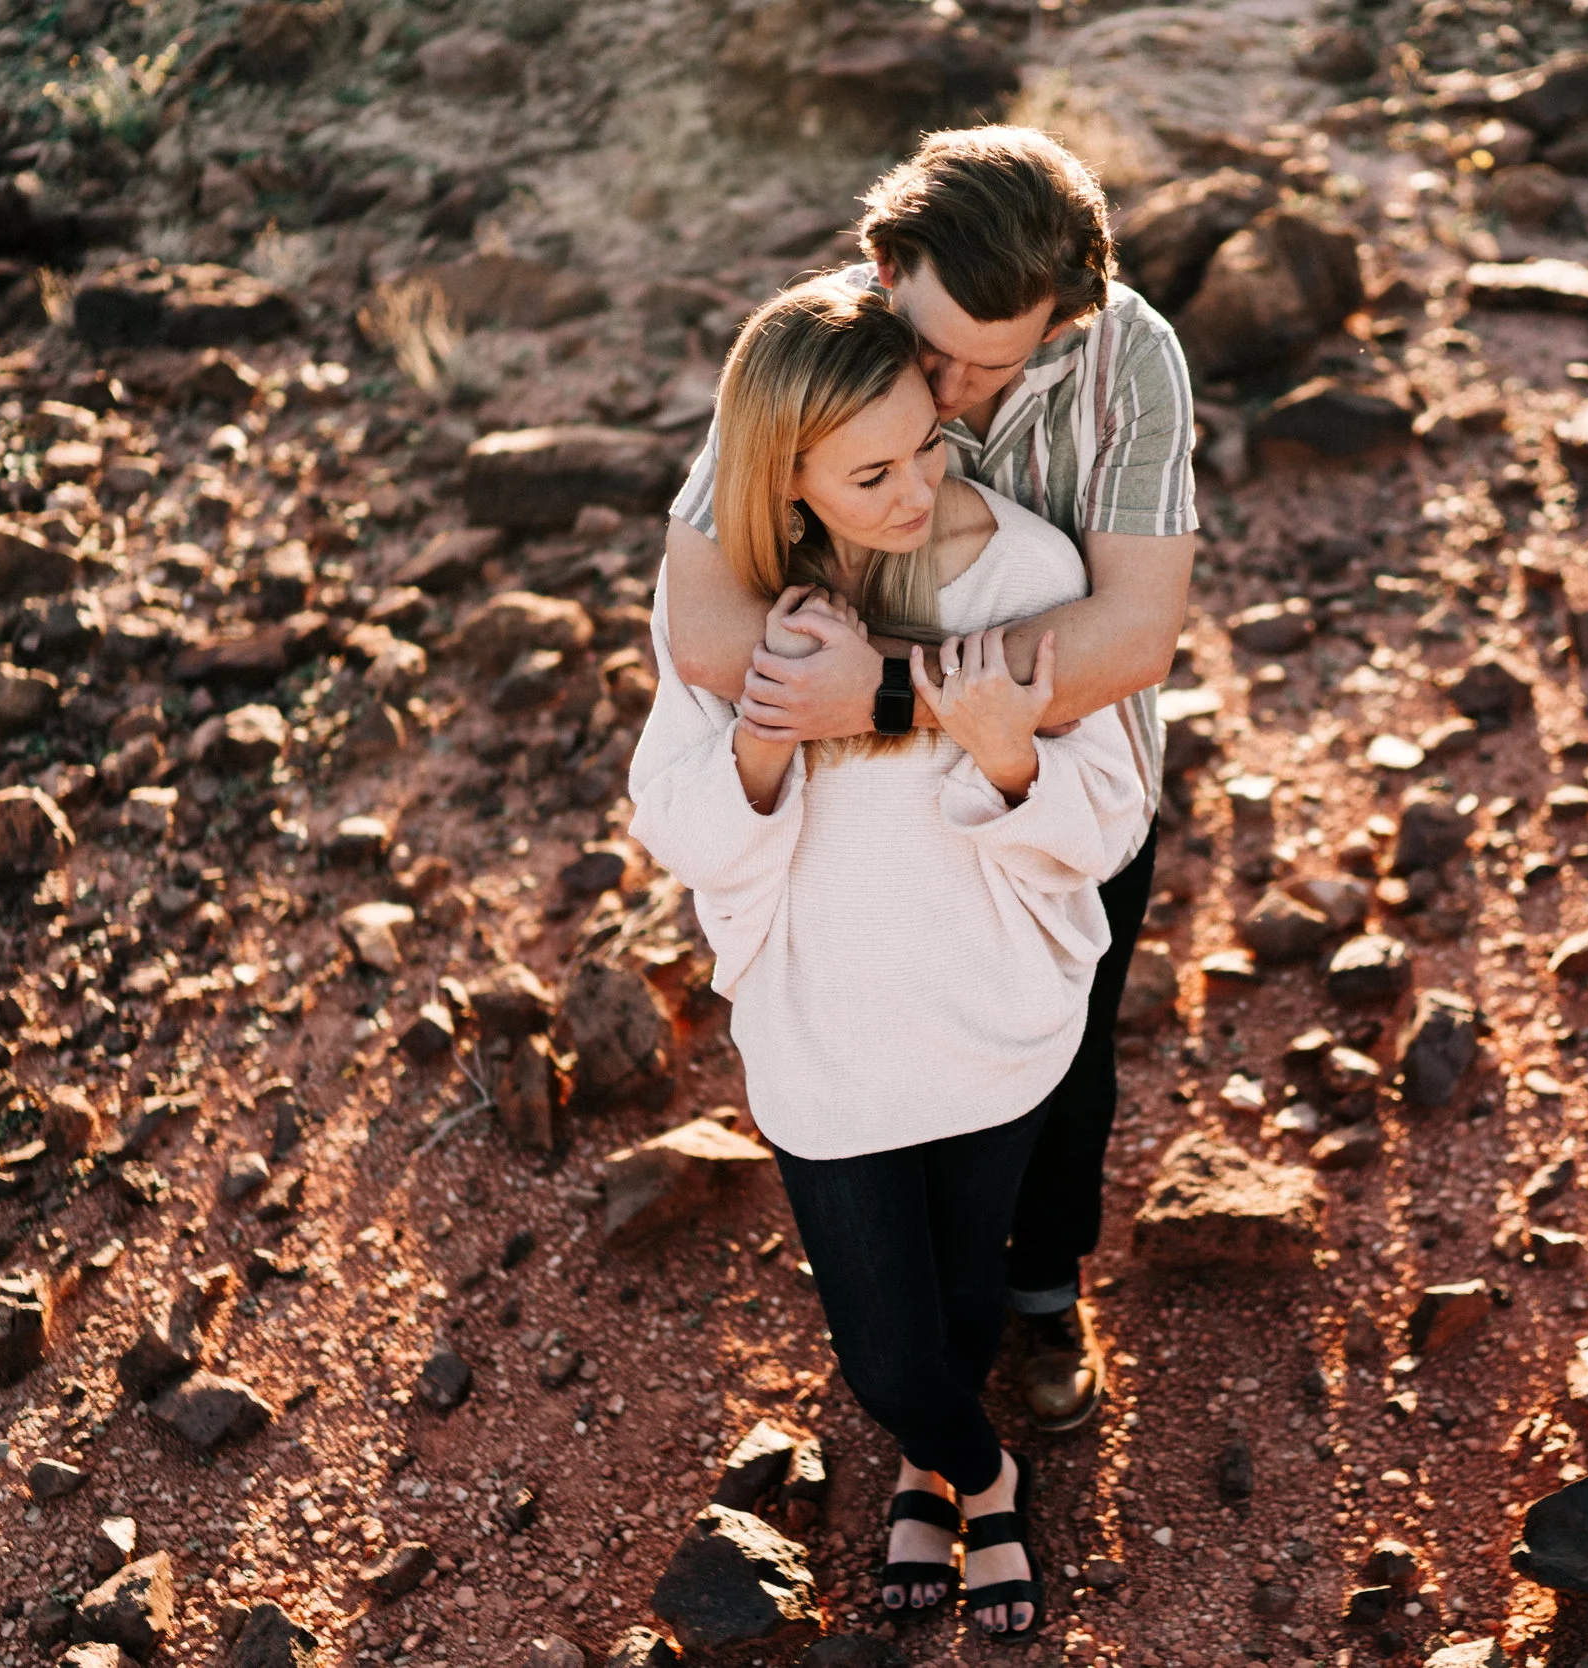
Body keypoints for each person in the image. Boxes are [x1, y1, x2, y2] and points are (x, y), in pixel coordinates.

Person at [628, 280, 1150, 1636]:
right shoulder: (734, 603)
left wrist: (1004, 748)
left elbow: (1108, 820)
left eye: (930, 443)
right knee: (884, 1347)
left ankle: (934, 1475)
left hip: (992, 1026)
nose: (923, 487)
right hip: (827, 1040)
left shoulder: (1032, 570)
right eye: (873, 471)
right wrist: (764, 731)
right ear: (789, 483)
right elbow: (673, 817)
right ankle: (987, 1468)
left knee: (966, 1305)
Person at [660, 125, 1198, 1433]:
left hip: (1059, 775)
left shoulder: (1134, 364)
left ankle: (1042, 1288)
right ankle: (918, 1316)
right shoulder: (839, 336)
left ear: (1064, 319)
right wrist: (860, 705)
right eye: (934, 346)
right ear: (886, 263)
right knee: (883, 1039)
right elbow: (708, 622)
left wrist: (885, 698)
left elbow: (1130, 636)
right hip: (873, 813)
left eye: (986, 365)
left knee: (1069, 1049)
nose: (945, 392)